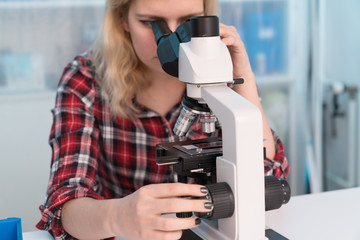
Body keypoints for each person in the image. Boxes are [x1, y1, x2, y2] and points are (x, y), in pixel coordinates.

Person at [36, 0, 289, 239]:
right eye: (151, 22)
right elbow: (63, 205)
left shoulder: (222, 70)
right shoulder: (86, 79)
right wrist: (118, 215)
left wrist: (243, 75)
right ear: (123, 20)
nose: (172, 43)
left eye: (188, 21)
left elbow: (268, 176)